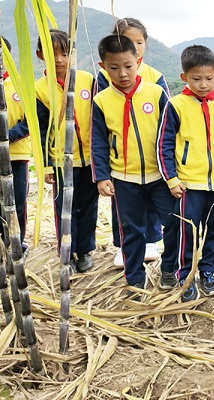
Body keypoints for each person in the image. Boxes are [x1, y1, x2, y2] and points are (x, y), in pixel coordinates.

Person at [90, 34, 176, 298]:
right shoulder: (101, 100)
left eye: (128, 66)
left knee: (173, 223)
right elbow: (99, 142)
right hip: (124, 179)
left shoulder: (156, 92)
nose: (123, 73)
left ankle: (170, 269)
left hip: (159, 176)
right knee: (131, 229)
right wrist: (102, 176)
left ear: (138, 61)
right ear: (104, 67)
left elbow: (171, 133)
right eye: (114, 68)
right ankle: (135, 278)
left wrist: (172, 171)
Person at [10, 29, 98, 272]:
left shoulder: (88, 80)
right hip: (61, 160)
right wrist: (47, 165)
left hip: (89, 158)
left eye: (64, 52)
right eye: (52, 53)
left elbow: (99, 121)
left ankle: (85, 250)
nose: (59, 59)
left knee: (89, 207)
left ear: (72, 53)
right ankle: (66, 254)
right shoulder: (39, 89)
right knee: (64, 208)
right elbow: (39, 130)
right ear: (40, 55)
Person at [157, 45, 214, 302]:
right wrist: (172, 178)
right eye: (196, 79)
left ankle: (208, 270)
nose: (203, 84)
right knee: (188, 232)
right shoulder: (175, 105)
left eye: (208, 79)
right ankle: (184, 275)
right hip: (189, 185)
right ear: (184, 77)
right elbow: (163, 143)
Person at [3, 37, 30, 254]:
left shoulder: (21, 85)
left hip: (16, 156)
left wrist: (7, 136)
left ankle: (17, 242)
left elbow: (30, 121)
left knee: (17, 202)